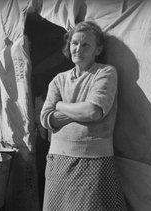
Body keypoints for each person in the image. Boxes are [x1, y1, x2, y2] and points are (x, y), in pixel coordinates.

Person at [40, 21, 127, 210]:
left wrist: (61, 105)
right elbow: (46, 118)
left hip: (93, 161)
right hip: (58, 160)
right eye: (74, 43)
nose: (78, 49)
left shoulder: (105, 72)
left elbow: (93, 111)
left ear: (98, 49)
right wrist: (81, 111)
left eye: (86, 44)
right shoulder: (58, 79)